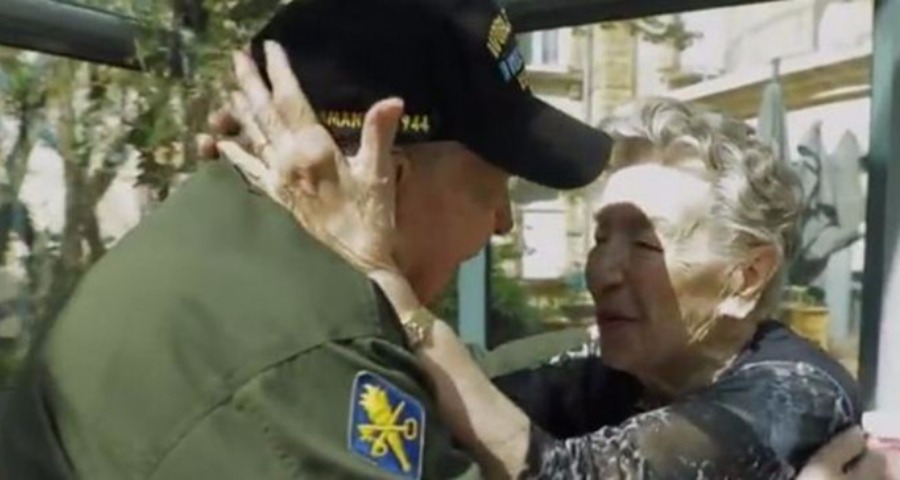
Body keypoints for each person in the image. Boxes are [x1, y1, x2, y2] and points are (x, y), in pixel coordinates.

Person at [0, 0, 620, 478]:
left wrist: (630, 355)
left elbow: (430, 380)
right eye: (492, 187)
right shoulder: (305, 350)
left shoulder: (250, 247)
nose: (503, 222)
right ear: (387, 175)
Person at [218, 43, 876, 478]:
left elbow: (563, 474)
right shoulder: (623, 371)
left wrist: (381, 273)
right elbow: (445, 407)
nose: (603, 271)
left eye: (644, 244)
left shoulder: (796, 392)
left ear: (746, 277)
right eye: (600, 237)